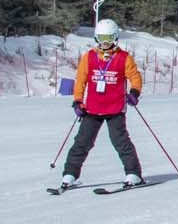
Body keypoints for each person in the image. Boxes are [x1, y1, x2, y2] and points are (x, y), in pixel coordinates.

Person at [59, 19, 145, 189]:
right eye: (102, 37)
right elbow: (81, 81)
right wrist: (77, 101)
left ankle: (133, 173)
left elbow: (135, 78)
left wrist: (134, 93)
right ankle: (70, 174)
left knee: (120, 141)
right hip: (92, 108)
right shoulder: (89, 57)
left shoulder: (124, 58)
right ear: (96, 38)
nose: (105, 42)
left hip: (115, 109)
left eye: (109, 37)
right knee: (82, 142)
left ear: (116, 37)